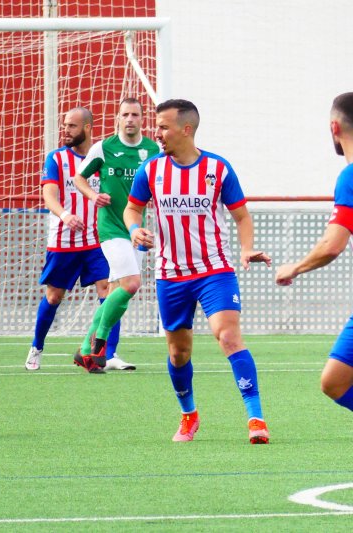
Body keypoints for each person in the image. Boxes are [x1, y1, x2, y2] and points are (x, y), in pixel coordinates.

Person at [125, 99, 272, 444]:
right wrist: (134, 230)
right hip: (171, 274)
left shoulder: (218, 169)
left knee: (228, 336)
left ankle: (256, 418)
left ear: (185, 129)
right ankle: (189, 414)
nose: (156, 133)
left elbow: (242, 216)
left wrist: (247, 247)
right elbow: (133, 210)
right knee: (179, 353)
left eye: (163, 127)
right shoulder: (151, 171)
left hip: (214, 271)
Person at [24, 107, 123, 372]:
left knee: (110, 292)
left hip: (97, 240)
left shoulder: (102, 156)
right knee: (54, 297)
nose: (65, 131)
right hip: (64, 241)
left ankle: (107, 354)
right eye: (65, 125)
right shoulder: (56, 158)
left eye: (71, 126)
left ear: (87, 128)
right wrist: (65, 215)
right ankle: (37, 347)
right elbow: (49, 195)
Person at [275, 92, 353, 414]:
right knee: (334, 380)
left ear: (334, 127)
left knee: (334, 382)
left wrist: (295, 267)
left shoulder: (349, 177)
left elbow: (332, 245)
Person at [72, 97, 159, 372]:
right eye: (125, 114)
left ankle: (86, 350)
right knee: (132, 283)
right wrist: (93, 196)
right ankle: (97, 345)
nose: (130, 119)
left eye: (135, 114)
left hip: (135, 230)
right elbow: (78, 178)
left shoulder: (152, 149)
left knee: (117, 290)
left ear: (142, 119)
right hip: (110, 228)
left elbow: (159, 183)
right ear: (118, 119)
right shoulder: (103, 148)